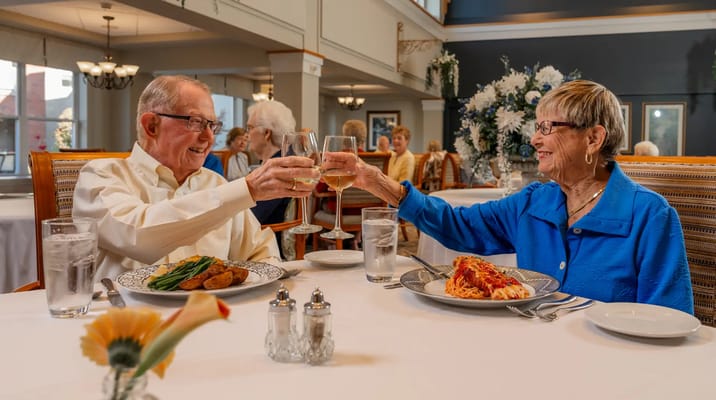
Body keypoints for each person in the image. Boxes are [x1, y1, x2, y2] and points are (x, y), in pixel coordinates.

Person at [322, 80, 693, 314]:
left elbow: (668, 322)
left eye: (548, 128)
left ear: (593, 139)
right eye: (536, 127)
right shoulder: (534, 203)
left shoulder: (649, 216)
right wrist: (375, 180)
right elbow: (457, 226)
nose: (534, 139)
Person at [72, 75, 318, 279]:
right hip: (128, 326)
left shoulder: (215, 183)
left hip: (212, 321)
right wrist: (248, 189)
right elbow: (140, 237)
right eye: (196, 122)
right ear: (151, 126)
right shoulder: (100, 176)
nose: (209, 138)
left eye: (212, 126)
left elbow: (262, 254)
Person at [246, 100, 295, 227]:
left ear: (267, 133)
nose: (247, 135)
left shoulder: (277, 171)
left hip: (266, 243)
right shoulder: (287, 159)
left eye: (250, 128)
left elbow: (251, 219)